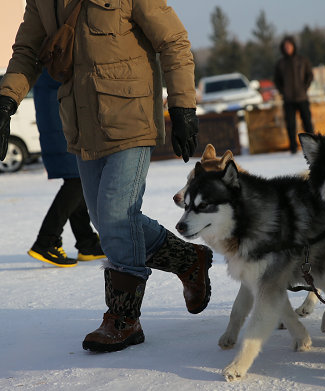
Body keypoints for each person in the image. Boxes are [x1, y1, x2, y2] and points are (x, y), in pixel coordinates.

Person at [0, 0, 212, 353]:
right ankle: (189, 260)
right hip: (83, 124)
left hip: (132, 114)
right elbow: (26, 51)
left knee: (116, 214)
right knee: (107, 219)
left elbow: (173, 40)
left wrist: (182, 106)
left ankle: (124, 318)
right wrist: (6, 103)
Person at [27, 68, 105, 268]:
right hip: (64, 124)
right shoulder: (56, 58)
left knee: (76, 180)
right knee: (77, 181)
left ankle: (86, 242)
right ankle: (46, 242)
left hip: (61, 123)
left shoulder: (48, 61)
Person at [274, 36, 314, 154]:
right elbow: (277, 80)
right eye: (285, 46)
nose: (288, 48)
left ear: (293, 46)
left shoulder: (302, 60)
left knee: (307, 122)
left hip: (302, 97)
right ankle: (293, 147)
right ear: (283, 48)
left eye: (289, 46)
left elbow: (309, 75)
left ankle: (312, 146)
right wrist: (283, 91)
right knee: (291, 125)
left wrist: (304, 88)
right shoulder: (280, 63)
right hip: (288, 99)